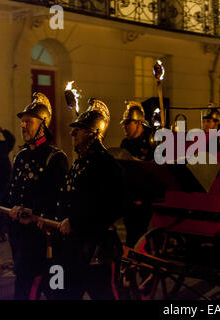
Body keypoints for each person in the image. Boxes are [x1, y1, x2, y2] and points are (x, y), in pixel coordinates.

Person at [0, 92, 69, 300]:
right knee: (26, 281)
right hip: (19, 234)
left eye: (28, 122)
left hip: (42, 237)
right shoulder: (22, 156)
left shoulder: (55, 158)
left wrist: (30, 210)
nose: (23, 126)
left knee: (37, 286)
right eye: (22, 122)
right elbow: (13, 189)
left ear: (43, 124)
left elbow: (56, 198)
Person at [55, 98, 125, 300]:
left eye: (79, 129)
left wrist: (76, 221)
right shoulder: (79, 163)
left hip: (98, 250)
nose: (72, 133)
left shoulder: (106, 165)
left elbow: (112, 206)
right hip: (74, 247)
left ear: (93, 134)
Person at [119, 100, 156, 247]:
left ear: (139, 123)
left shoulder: (153, 141)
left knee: (142, 235)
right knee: (131, 235)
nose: (124, 127)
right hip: (130, 197)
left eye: (128, 123)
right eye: (124, 123)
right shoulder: (126, 144)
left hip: (147, 197)